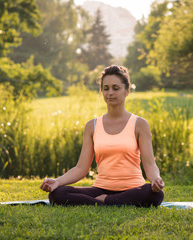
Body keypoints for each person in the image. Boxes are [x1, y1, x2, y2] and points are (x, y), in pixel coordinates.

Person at [40, 65, 164, 207]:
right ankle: (107, 201)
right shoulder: (92, 126)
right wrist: (57, 181)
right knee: (57, 194)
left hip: (133, 189)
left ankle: (103, 201)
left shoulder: (139, 124)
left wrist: (155, 179)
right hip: (100, 189)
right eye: (106, 88)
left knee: (155, 194)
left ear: (127, 91)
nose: (110, 93)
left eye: (115, 88)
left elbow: (149, 164)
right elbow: (81, 168)